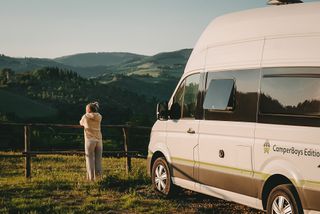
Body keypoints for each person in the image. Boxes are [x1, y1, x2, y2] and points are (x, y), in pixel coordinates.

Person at [79, 102, 103, 181]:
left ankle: (91, 179)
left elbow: (81, 123)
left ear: (88, 109)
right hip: (99, 140)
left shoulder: (85, 117)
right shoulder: (99, 116)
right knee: (98, 160)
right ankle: (99, 178)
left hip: (90, 140)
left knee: (89, 159)